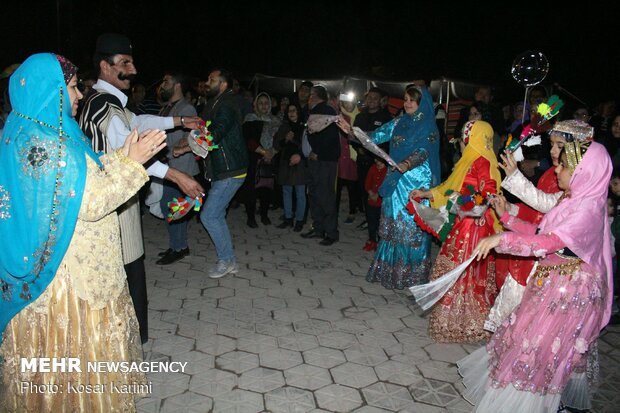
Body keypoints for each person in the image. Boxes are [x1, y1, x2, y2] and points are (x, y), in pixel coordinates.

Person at [0, 53, 166, 411]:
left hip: (49, 267)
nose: (79, 95)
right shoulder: (49, 144)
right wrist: (133, 164)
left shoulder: (28, 129)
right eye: (73, 87)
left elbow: (81, 176)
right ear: (51, 90)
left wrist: (119, 156)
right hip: (68, 277)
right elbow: (91, 202)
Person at [460, 139, 612, 413]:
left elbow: (546, 244)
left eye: (564, 166)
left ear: (583, 172)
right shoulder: (574, 200)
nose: (557, 170)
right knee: (528, 347)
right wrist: (507, 218)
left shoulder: (587, 210)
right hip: (555, 283)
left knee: (539, 356)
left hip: (569, 294)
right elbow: (542, 234)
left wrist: (501, 239)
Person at [78, 33, 204, 343]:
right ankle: (121, 345)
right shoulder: (101, 104)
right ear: (105, 67)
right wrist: (176, 176)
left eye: (132, 62)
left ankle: (130, 341)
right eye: (125, 63)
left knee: (133, 268)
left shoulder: (110, 102)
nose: (133, 70)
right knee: (124, 275)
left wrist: (180, 121)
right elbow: (128, 148)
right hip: (110, 207)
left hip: (121, 200)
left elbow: (140, 121)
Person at [488, 120, 594, 332]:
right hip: (533, 240)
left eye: (561, 146)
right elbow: (535, 213)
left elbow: (545, 203)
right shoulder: (553, 173)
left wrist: (514, 176)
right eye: (552, 144)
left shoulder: (577, 185)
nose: (554, 151)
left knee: (531, 316)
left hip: (549, 257)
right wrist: (509, 210)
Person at [338, 84, 441, 289]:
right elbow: (375, 136)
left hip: (416, 182)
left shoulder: (428, 125)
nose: (408, 103)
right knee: (393, 223)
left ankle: (412, 277)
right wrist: (351, 131)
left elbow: (423, 151)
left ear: (422, 103)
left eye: (413, 100)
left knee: (412, 227)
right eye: (406, 99)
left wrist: (406, 163)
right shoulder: (399, 121)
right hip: (396, 179)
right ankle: (389, 272)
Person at [410, 120, 501, 342]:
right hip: (464, 223)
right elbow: (449, 188)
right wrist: (426, 194)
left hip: (475, 227)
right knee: (456, 269)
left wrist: (464, 203)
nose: (461, 141)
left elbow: (488, 193)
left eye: (465, 137)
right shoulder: (467, 162)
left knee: (465, 272)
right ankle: (451, 322)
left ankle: (469, 324)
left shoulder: (482, 162)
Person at [175, 68, 249, 278]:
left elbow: (212, 136)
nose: (207, 82)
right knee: (216, 214)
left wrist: (187, 146)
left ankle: (227, 260)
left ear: (223, 84)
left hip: (230, 170)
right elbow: (205, 134)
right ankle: (229, 260)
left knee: (209, 216)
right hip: (222, 170)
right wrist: (186, 143)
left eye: (211, 79)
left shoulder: (226, 105)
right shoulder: (215, 103)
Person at [156, 72, 200, 265]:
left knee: (174, 208)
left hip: (181, 167)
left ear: (177, 85)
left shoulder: (187, 107)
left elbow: (194, 137)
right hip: (167, 165)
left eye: (167, 81)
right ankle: (179, 245)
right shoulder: (166, 108)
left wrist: (180, 147)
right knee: (173, 208)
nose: (162, 85)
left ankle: (178, 248)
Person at [301, 85, 341, 246]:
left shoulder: (326, 110)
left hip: (324, 160)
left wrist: (317, 151)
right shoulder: (313, 110)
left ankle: (331, 233)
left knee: (325, 196)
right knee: (314, 194)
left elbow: (330, 136)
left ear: (314, 96)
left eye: (309, 95)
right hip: (314, 160)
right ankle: (318, 228)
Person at [274, 104, 306, 231]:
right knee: (286, 191)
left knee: (300, 193)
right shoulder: (284, 127)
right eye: (289, 111)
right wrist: (286, 139)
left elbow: (307, 146)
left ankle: (299, 220)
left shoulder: (304, 127)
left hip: (299, 163)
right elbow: (277, 145)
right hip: (285, 163)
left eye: (294, 110)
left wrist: (297, 148)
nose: (291, 113)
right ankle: (288, 218)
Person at [363, 157, 387, 251]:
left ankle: (381, 243)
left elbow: (386, 185)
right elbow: (367, 183)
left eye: (380, 162)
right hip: (371, 199)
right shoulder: (373, 168)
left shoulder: (387, 170)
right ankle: (372, 240)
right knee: (371, 222)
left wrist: (378, 194)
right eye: (376, 160)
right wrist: (370, 192)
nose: (378, 163)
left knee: (380, 223)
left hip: (382, 201)